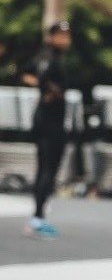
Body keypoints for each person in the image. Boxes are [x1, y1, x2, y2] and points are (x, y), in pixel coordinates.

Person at [21, 21, 72, 239]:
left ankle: (38, 215)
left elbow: (26, 74)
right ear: (51, 37)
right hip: (50, 121)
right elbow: (39, 79)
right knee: (48, 168)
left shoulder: (46, 57)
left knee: (46, 168)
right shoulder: (50, 59)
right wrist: (48, 90)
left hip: (44, 119)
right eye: (61, 35)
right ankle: (38, 217)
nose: (65, 40)